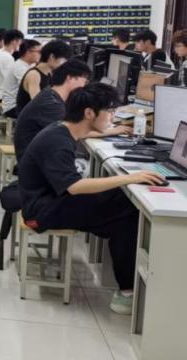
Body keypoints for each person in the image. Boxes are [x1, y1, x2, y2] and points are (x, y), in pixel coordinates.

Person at [18, 83, 164, 314]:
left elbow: (88, 134)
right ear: (88, 113)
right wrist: (129, 178)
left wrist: (110, 134)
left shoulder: (63, 129)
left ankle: (127, 289)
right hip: (41, 211)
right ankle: (128, 291)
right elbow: (74, 187)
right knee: (126, 209)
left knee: (122, 212)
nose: (113, 117)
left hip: (52, 200)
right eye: (110, 111)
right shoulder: (57, 141)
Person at [13, 59, 92, 163]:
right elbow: (73, 131)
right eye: (84, 80)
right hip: (35, 163)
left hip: (39, 156)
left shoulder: (51, 95)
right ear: (70, 78)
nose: (84, 86)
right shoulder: (51, 104)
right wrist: (110, 130)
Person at [14, 39, 71, 117]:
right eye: (63, 60)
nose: (64, 64)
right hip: (30, 119)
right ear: (52, 57)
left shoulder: (49, 73)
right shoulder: (34, 75)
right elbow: (38, 104)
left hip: (40, 116)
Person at [1, 39, 41, 117]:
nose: (41, 55)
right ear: (28, 52)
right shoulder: (19, 67)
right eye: (39, 52)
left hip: (22, 103)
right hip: (13, 107)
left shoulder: (30, 65)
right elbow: (29, 88)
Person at [0, 29, 24, 102]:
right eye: (21, 42)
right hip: (1, 96)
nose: (21, 45)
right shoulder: (7, 57)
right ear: (14, 41)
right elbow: (12, 80)